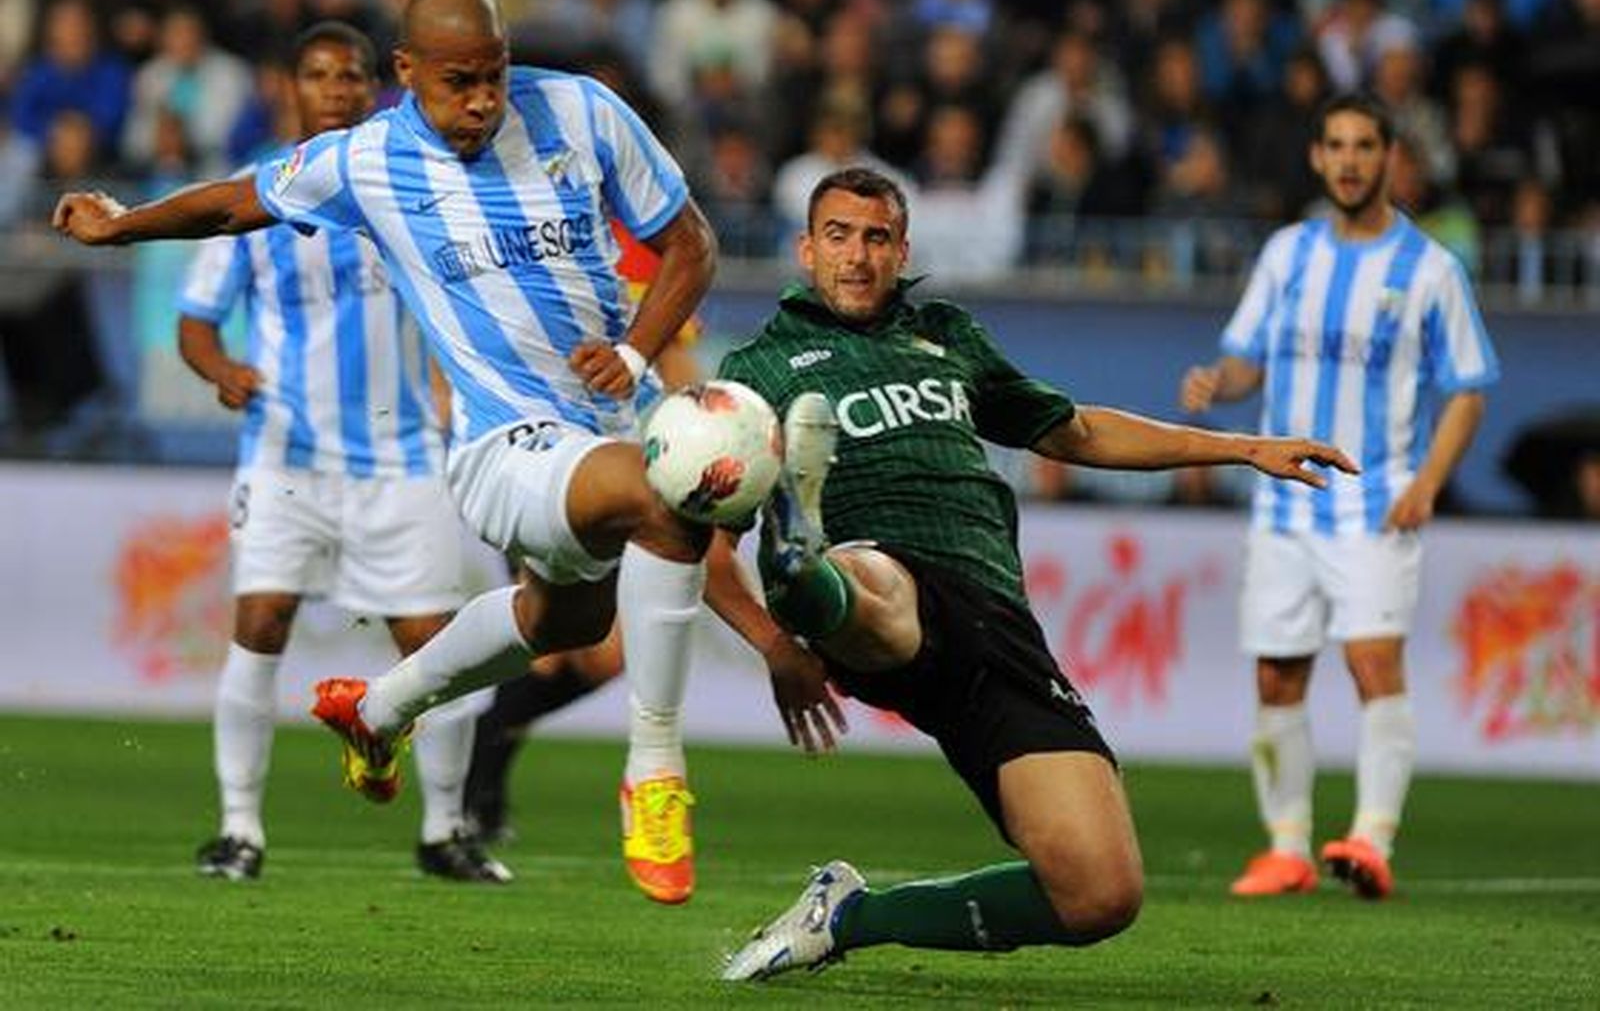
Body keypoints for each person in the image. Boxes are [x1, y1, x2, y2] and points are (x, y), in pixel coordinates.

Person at [52, 0, 837, 907]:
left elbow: (691, 245)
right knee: (661, 499)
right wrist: (121, 227)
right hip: (500, 443)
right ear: (407, 72)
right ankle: (655, 771)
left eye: (495, 77)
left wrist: (633, 349)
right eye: (459, 81)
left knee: (567, 622)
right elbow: (229, 205)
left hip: (619, 409)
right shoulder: (365, 160)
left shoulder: (582, 111)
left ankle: (379, 709)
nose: (482, 101)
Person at [717, 166, 1354, 981]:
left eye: (877, 238)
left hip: (996, 625)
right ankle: (800, 563)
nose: (858, 256)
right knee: (880, 587)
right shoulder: (760, 369)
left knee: (1098, 895)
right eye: (838, 236)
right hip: (884, 579)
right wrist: (777, 644)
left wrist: (1245, 447)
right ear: (806, 249)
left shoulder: (946, 333)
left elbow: (1077, 432)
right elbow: (702, 549)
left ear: (901, 248)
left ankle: (847, 915)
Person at [180, 21, 507, 884]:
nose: (336, 89)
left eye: (351, 76)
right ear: (290, 88)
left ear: (377, 88)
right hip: (286, 456)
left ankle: (445, 831)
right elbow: (195, 323)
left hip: (402, 459)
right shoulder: (253, 197)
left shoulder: (410, 183)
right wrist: (220, 371)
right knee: (259, 626)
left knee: (436, 647)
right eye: (318, 74)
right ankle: (240, 829)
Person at [1180, 91, 1499, 900]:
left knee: (1372, 662)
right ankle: (1286, 847)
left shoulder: (1429, 269)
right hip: (1284, 503)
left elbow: (1467, 388)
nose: (1351, 160)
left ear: (1389, 156)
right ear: (1317, 158)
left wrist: (1428, 480)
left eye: (1365, 145)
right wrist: (1222, 385)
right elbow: (1249, 358)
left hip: (1376, 500)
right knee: (1277, 678)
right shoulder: (1288, 253)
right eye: (1336, 146)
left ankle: (1370, 838)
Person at [463, 221, 844, 845]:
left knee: (595, 655)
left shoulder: (651, 249)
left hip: (632, 472)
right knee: (555, 645)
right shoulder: (529, 230)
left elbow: (675, 360)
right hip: (546, 466)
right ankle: (479, 786)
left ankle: (487, 756)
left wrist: (712, 422)